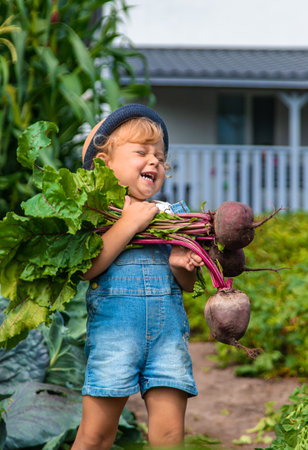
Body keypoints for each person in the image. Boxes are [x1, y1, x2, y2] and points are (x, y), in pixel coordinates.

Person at [72, 104, 204, 450]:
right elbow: (88, 268)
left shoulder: (174, 217)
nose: (155, 161)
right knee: (95, 436)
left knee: (169, 437)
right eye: (142, 152)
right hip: (116, 339)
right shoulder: (98, 215)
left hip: (168, 340)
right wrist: (129, 222)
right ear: (104, 165)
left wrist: (180, 265)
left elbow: (186, 286)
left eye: (160, 156)